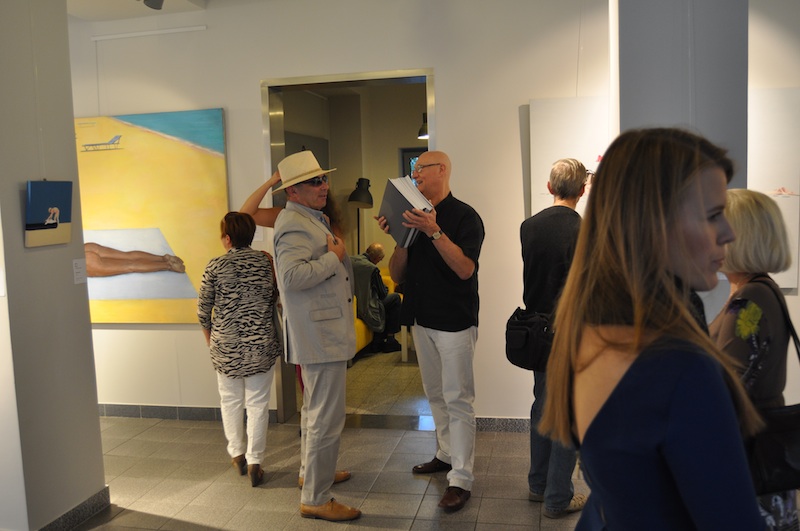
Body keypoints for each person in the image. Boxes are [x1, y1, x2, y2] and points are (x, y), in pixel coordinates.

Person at [538, 128, 764, 529]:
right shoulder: (681, 369)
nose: (728, 233)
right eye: (713, 215)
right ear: (655, 223)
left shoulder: (587, 331)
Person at [377, 150, 485, 513]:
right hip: (421, 318)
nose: (415, 175)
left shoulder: (465, 216)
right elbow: (397, 274)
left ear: (441, 170)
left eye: (420, 168)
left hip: (454, 321)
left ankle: (462, 479)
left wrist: (433, 231)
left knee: (458, 399)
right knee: (435, 395)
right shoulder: (412, 217)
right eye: (413, 170)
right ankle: (446, 453)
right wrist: (401, 238)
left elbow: (465, 269)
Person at [272, 150, 361, 522]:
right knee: (326, 418)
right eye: (314, 181)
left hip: (320, 332)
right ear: (292, 191)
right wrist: (333, 257)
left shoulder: (308, 217)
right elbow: (291, 278)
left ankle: (311, 474)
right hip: (319, 335)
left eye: (323, 179)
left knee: (315, 414)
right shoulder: (293, 223)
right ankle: (316, 497)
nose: (323, 186)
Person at [709, 188, 799, 531]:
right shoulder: (758, 290)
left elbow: (729, 386)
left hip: (749, 457)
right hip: (758, 451)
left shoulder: (749, 300)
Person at [520, 158, 588, 518]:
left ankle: (538, 484)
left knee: (543, 405)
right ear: (583, 190)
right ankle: (558, 497)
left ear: (549, 187)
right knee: (567, 414)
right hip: (571, 332)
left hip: (537, 331)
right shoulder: (585, 231)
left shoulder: (528, 227)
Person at [197, 212, 281, 487]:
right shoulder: (266, 262)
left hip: (226, 345)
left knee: (230, 400)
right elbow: (275, 297)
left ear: (227, 238)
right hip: (261, 344)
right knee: (258, 403)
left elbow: (203, 311)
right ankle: (256, 460)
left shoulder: (215, 265)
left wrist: (211, 341)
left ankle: (237, 454)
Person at [350, 242, 402, 354]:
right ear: (377, 258)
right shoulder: (371, 268)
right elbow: (382, 293)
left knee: (386, 304)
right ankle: (390, 340)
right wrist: (385, 289)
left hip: (353, 305)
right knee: (395, 299)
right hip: (367, 306)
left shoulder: (350, 261)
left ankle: (378, 341)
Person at [84, 242, 185, 277]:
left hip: (84, 263)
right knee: (127, 256)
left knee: (130, 266)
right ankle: (163, 258)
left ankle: (168, 265)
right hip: (85, 248)